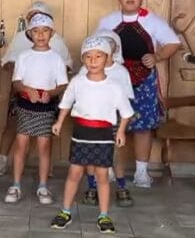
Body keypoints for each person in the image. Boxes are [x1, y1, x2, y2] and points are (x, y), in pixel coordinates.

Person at [96, 0, 181, 189]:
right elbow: (96, 47)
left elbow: (173, 43)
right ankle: (108, 168)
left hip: (143, 80)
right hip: (113, 79)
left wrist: (157, 56)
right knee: (110, 123)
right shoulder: (107, 22)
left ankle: (141, 173)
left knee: (142, 126)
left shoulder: (152, 21)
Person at [50, 35, 133, 232]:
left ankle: (103, 215)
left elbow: (126, 112)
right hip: (81, 133)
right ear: (83, 59)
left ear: (107, 58)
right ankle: (65, 211)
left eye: (98, 56)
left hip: (103, 135)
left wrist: (121, 131)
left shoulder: (114, 86)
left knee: (102, 175)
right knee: (74, 172)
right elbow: (66, 103)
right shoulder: (77, 82)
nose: (93, 61)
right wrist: (59, 122)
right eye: (88, 57)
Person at [0, 1, 72, 177]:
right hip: (21, 91)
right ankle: (2, 161)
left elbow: (67, 66)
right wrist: (19, 74)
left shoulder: (57, 41)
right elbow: (6, 62)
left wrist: (49, 84)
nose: (36, 19)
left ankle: (47, 168)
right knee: (13, 126)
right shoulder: (20, 37)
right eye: (32, 16)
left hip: (48, 94)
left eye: (40, 15)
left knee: (46, 132)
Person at [4, 14, 68, 205]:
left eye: (45, 30)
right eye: (36, 31)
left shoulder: (56, 58)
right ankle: (16, 185)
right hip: (26, 105)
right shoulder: (24, 56)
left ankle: (43, 186)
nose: (40, 35)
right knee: (21, 144)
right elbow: (16, 82)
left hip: (46, 107)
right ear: (30, 34)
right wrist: (27, 90)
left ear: (52, 33)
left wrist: (50, 93)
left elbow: (62, 84)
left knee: (44, 146)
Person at [77, 29, 135, 207]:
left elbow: (126, 100)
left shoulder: (121, 72)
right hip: (91, 118)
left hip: (113, 118)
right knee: (90, 154)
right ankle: (92, 187)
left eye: (110, 44)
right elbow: (78, 93)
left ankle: (121, 186)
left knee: (115, 154)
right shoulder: (85, 70)